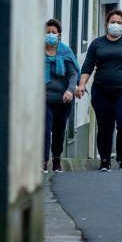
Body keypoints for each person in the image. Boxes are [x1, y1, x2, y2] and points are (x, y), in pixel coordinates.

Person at [75, 9, 122, 171]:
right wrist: (81, 84)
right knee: (105, 126)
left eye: (119, 23)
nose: (115, 25)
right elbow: (88, 66)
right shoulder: (97, 44)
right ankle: (105, 160)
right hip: (101, 92)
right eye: (113, 22)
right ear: (106, 24)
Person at [43, 19, 79, 173]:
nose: (50, 35)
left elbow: (73, 74)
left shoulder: (65, 52)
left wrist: (70, 90)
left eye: (53, 32)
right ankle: (43, 161)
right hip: (44, 99)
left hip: (63, 99)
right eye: (48, 32)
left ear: (59, 35)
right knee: (45, 128)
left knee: (59, 130)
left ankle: (56, 159)